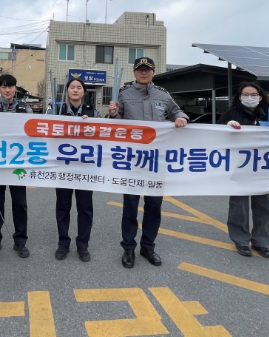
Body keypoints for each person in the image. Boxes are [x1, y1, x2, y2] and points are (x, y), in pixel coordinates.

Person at [108, 57, 188, 269]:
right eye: (140, 69)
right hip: (132, 159)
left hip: (156, 160)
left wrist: (181, 117)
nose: (144, 72)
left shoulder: (163, 94)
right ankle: (128, 247)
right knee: (130, 206)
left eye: (147, 69)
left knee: (154, 206)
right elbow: (116, 124)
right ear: (134, 72)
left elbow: (176, 111)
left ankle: (148, 246)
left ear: (153, 72)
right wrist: (113, 114)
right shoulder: (124, 94)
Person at [217, 82, 269, 259]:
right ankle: (241, 240)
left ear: (260, 96)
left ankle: (261, 242)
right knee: (238, 207)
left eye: (253, 94)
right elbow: (217, 133)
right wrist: (226, 126)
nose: (249, 98)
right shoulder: (231, 113)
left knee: (265, 207)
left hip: (264, 167)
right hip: (240, 167)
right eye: (245, 95)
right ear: (239, 97)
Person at [0, 74, 32, 259]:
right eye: (3, 87)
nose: (7, 90)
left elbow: (32, 134)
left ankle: (20, 241)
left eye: (10, 86)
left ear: (15, 88)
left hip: (18, 163)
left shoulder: (25, 109)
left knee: (19, 204)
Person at [54, 77, 100, 263]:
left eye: (78, 87)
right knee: (63, 207)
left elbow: (103, 134)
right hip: (63, 167)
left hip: (84, 168)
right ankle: (63, 243)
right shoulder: (56, 111)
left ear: (84, 92)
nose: (75, 90)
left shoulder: (93, 112)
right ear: (67, 90)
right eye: (71, 87)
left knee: (85, 208)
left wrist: (90, 126)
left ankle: (83, 244)